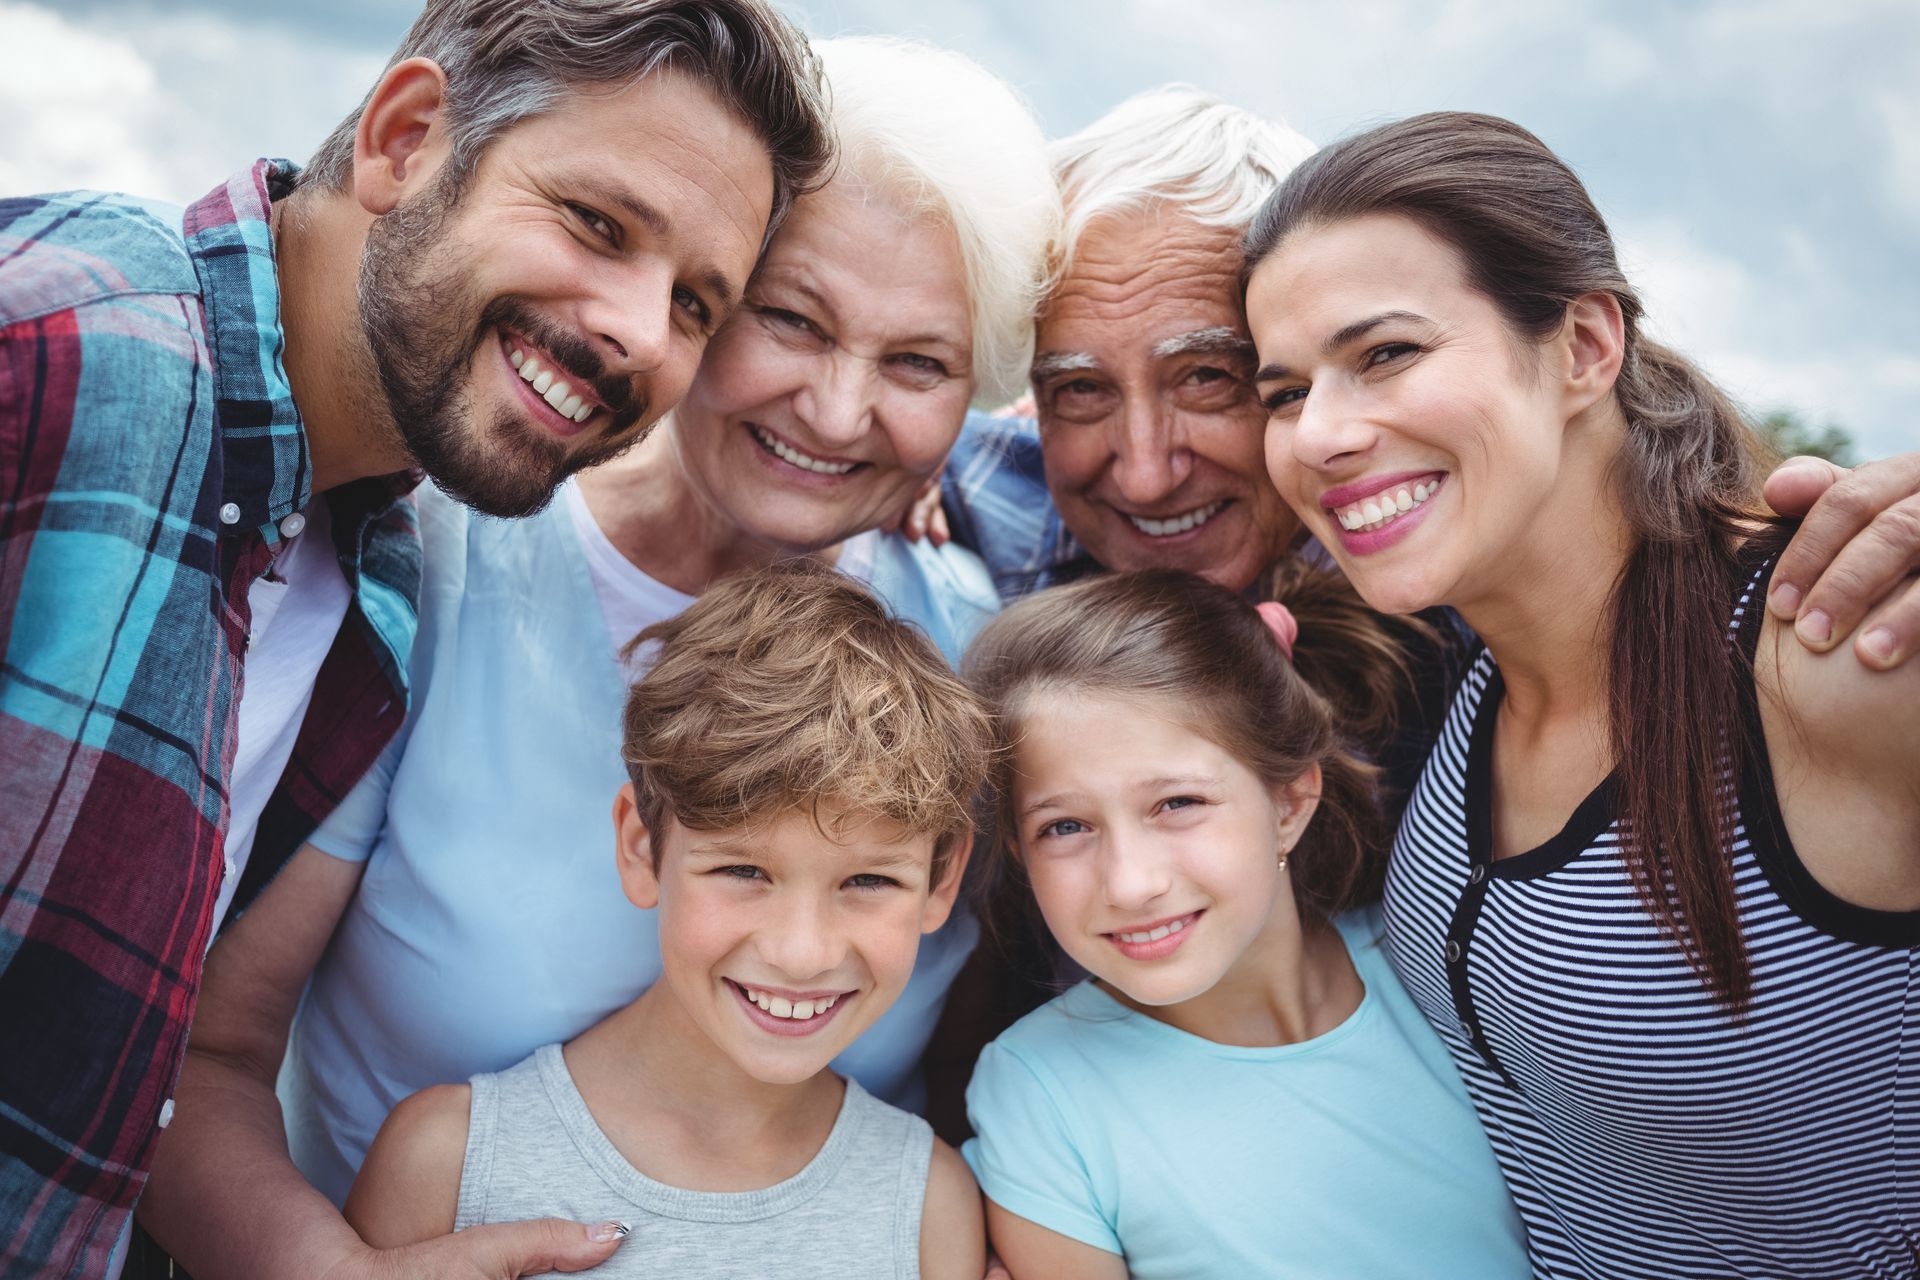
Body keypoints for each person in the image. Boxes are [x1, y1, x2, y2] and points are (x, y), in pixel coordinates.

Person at [133, 33, 1056, 1279]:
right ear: (701, 296)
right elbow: (208, 1052)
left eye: (918, 362)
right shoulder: (434, 568)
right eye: (789, 318)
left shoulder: (975, 655)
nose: (839, 411)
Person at [0, 1, 829, 1274]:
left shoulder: (377, 578)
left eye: (698, 304)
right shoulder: (70, 343)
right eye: (599, 225)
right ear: (406, 138)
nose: (641, 335)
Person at [1242, 110, 1919, 1279]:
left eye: (1388, 353)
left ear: (1587, 345)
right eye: (1284, 391)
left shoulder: (1819, 648)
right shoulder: (1454, 666)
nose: (1324, 433)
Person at [933, 87, 1920, 657]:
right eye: (1080, 390)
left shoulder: (1462, 557)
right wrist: (885, 484)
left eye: (1212, 381)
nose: (1143, 471)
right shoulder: (995, 495)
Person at [344, 561, 992, 1279]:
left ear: (942, 877)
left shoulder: (930, 1205)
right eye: (744, 871)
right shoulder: (446, 1162)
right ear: (641, 848)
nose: (801, 953)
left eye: (868, 880)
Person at [957, 568, 1529, 1279]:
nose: (1132, 883)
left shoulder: (1439, 971)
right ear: (1017, 849)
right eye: (1065, 825)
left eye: (1178, 804)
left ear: (1288, 803)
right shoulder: (1038, 1093)